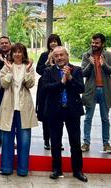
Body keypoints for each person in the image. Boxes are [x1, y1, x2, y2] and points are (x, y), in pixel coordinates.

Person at [43, 46, 88, 182]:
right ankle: (57, 169)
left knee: (75, 142)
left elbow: (81, 88)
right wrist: (61, 82)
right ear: (53, 58)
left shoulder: (77, 70)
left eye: (62, 55)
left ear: (67, 55)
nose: (59, 58)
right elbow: (46, 89)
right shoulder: (48, 71)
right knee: (55, 141)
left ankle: (78, 171)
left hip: (72, 110)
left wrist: (70, 78)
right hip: (55, 111)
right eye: (56, 56)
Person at [0, 43, 38, 176]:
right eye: (15, 52)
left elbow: (30, 84)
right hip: (9, 107)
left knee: (24, 140)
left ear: (24, 53)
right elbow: (4, 84)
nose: (17, 54)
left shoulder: (29, 67)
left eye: (20, 52)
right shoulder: (5, 67)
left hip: (24, 108)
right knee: (7, 139)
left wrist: (26, 71)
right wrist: (9, 71)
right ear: (11, 53)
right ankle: (6, 168)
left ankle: (22, 169)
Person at [81, 33, 111, 152]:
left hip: (105, 90)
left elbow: (110, 71)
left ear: (102, 44)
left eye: (96, 43)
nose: (94, 45)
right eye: (92, 42)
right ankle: (86, 143)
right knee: (88, 117)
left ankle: (106, 143)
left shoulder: (108, 55)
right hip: (90, 90)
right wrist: (90, 64)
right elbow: (83, 73)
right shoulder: (86, 55)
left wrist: (104, 65)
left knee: (105, 118)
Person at [36, 34, 62, 150]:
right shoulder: (44, 55)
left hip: (58, 87)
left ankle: (58, 141)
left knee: (58, 115)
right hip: (44, 88)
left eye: (55, 41)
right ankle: (46, 140)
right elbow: (39, 70)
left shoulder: (62, 55)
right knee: (45, 114)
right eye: (51, 41)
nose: (53, 43)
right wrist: (48, 61)